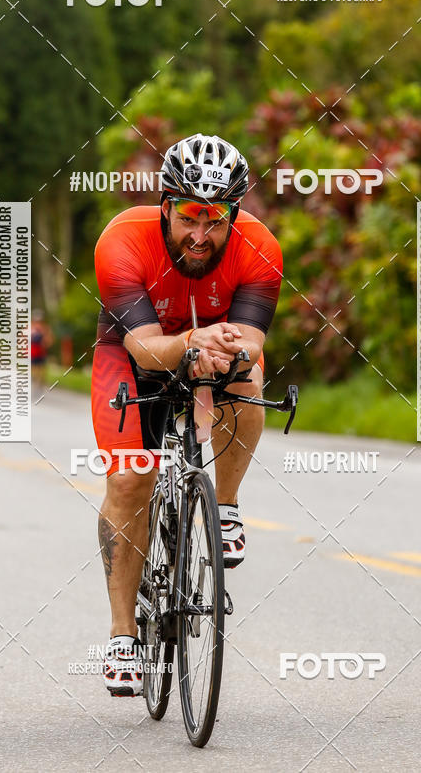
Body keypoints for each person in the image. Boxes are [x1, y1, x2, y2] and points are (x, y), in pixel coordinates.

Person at [92, 133, 283, 697]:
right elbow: (148, 349)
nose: (201, 235)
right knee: (130, 478)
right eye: (191, 217)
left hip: (211, 346)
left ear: (234, 216)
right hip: (131, 354)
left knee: (247, 376)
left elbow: (249, 343)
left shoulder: (260, 248)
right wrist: (192, 340)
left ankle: (224, 507)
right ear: (168, 206)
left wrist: (228, 350)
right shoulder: (122, 240)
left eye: (217, 220)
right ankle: (123, 634)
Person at [30, 310, 53, 392]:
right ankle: (35, 381)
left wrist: (46, 343)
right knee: (34, 368)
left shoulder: (45, 328)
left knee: (42, 368)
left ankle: (39, 383)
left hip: (41, 352)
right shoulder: (30, 328)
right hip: (32, 352)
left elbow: (49, 340)